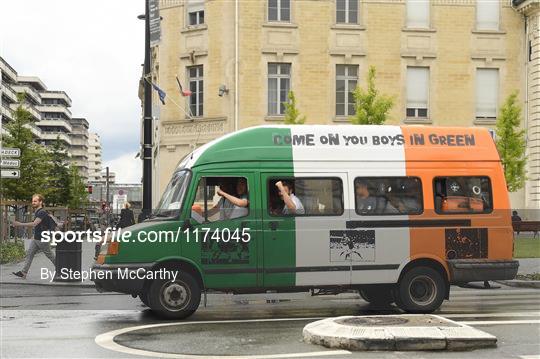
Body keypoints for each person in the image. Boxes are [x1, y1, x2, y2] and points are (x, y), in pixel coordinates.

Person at [12, 194, 56, 279]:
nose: (33, 202)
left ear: (41, 202)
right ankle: (23, 272)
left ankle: (62, 268)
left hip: (42, 238)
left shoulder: (42, 212)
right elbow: (38, 226)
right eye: (32, 201)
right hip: (37, 238)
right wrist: (34, 235)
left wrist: (20, 224)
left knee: (50, 255)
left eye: (35, 201)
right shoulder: (38, 212)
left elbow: (35, 223)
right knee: (29, 254)